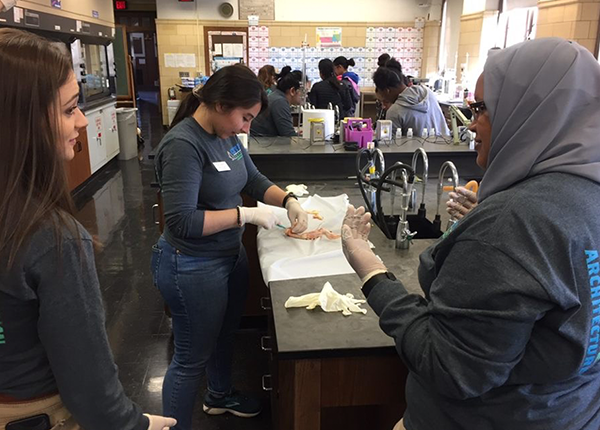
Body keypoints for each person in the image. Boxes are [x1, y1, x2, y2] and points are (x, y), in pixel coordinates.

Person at [341, 37, 600, 430]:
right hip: (569, 412)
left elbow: (449, 367)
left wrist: (373, 272)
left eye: (482, 109)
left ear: (531, 111)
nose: (471, 123)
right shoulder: (583, 191)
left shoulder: (514, 222)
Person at [0, 28, 176, 430]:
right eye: (68, 109)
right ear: (20, 123)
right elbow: (90, 387)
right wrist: (138, 424)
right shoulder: (50, 238)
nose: (81, 121)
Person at [152, 64, 308, 430]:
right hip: (190, 266)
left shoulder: (226, 136)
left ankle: (219, 396)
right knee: (191, 358)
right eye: (245, 117)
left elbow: (252, 179)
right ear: (221, 104)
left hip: (227, 257)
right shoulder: (183, 145)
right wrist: (245, 216)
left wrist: (287, 200)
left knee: (224, 332)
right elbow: (182, 221)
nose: (246, 127)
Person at [373, 58, 449, 136]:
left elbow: (390, 144)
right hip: (445, 145)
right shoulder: (428, 92)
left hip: (416, 148)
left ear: (387, 91)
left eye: (382, 96)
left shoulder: (395, 111)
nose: (383, 100)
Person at [250, 67, 303, 137]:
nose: (304, 95)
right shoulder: (280, 102)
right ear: (292, 91)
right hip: (264, 144)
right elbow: (288, 135)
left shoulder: (277, 96)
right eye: (302, 91)